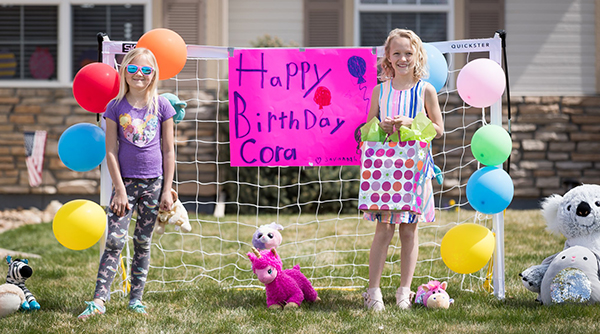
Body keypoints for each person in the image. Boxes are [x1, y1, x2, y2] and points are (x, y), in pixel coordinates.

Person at [78, 47, 176, 319]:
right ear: (124, 72)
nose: (139, 75)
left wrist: (167, 189)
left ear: (153, 74)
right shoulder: (115, 107)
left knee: (143, 242)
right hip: (125, 185)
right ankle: (99, 300)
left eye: (146, 70)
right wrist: (118, 189)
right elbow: (110, 151)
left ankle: (136, 300)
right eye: (133, 69)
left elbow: (168, 151)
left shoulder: (162, 106)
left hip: (154, 185)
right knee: (114, 241)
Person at [362, 29, 444, 311]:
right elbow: (365, 132)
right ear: (388, 56)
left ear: (417, 55)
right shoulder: (379, 90)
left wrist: (411, 123)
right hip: (385, 172)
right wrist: (380, 127)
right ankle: (373, 292)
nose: (402, 58)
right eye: (396, 53)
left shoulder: (426, 90)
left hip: (416, 170)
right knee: (383, 230)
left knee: (409, 230)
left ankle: (403, 292)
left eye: (408, 53)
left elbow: (438, 129)